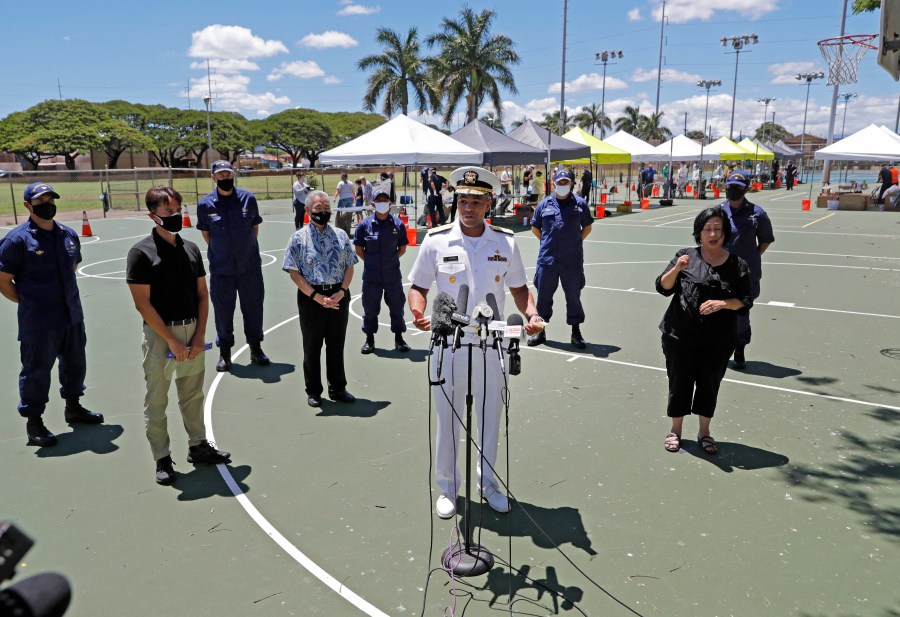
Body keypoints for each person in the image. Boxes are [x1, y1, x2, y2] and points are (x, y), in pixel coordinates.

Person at [407, 166, 542, 519]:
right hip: (449, 343)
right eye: (463, 200)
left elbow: (518, 288)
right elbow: (419, 287)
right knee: (448, 418)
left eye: (477, 201)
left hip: (490, 343)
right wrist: (419, 311)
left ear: (489, 204)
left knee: (489, 418)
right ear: (455, 201)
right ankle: (449, 489)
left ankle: (489, 485)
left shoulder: (505, 241)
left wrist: (531, 314)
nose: (468, 206)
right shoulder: (436, 240)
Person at [126, 187, 231, 485]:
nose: (175, 216)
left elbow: (202, 293)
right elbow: (142, 303)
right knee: (157, 398)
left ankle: (198, 445)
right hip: (162, 334)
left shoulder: (191, 249)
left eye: (178, 210)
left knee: (192, 393)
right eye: (168, 212)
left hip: (191, 329)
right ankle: (162, 457)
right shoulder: (141, 253)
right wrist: (172, 341)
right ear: (152, 215)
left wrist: (198, 335)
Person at [0, 182, 104, 447]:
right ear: (28, 205)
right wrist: (29, 303)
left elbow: (73, 264)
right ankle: (34, 422)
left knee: (75, 363)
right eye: (40, 200)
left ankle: (74, 407)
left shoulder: (68, 234)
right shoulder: (17, 240)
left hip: (71, 315)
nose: (47, 204)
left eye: (50, 199)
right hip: (39, 320)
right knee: (36, 370)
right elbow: (3, 280)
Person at [656, 206, 753, 455]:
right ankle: (675, 431)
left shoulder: (736, 264)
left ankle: (704, 433)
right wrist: (677, 268)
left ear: (725, 233)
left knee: (709, 385)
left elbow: (745, 300)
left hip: (718, 340)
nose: (712, 234)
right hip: (679, 334)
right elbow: (663, 286)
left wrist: (723, 303)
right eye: (707, 229)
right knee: (679, 382)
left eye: (717, 229)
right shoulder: (685, 256)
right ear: (698, 233)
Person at [283, 190, 358, 407]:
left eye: (326, 208)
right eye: (318, 209)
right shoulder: (298, 238)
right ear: (307, 211)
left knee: (336, 344)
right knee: (312, 346)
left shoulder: (341, 235)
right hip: (311, 297)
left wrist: (342, 291)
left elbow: (350, 265)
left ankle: (338, 388)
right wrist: (315, 296)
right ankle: (314, 390)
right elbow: (293, 271)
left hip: (338, 295)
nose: (323, 212)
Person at [196, 160, 269, 372]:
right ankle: (225, 353)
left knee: (254, 308)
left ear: (233, 175)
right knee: (223, 312)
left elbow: (254, 228)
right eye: (220, 175)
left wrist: (245, 251)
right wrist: (224, 253)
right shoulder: (205, 205)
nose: (225, 178)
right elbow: (206, 234)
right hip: (222, 270)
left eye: (228, 174)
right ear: (213, 177)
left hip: (250, 267)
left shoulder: (248, 199)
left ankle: (256, 348)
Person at [527, 169, 594, 350]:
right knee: (543, 298)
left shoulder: (580, 204)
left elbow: (587, 227)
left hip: (571, 261)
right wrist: (547, 243)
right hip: (548, 260)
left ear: (571, 183)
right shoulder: (544, 204)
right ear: (554, 183)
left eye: (566, 182)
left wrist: (575, 242)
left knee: (573, 297)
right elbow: (535, 228)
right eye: (560, 182)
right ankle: (540, 331)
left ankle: (576, 331)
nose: (562, 185)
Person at [720, 170, 774, 369]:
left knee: (741, 310)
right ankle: (720, 347)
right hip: (721, 270)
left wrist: (752, 257)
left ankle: (739, 348)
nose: (732, 190)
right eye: (729, 187)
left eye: (737, 188)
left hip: (747, 272)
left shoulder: (757, 213)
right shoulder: (719, 211)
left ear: (746, 189)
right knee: (720, 308)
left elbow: (766, 239)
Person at [354, 187, 410, 354]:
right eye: (379, 201)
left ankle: (399, 339)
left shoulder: (398, 224)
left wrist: (389, 262)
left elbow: (402, 248)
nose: (382, 203)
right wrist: (372, 262)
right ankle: (369, 340)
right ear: (372, 203)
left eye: (385, 200)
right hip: (372, 275)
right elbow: (359, 249)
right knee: (370, 308)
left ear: (390, 203)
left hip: (392, 274)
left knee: (397, 306)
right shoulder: (364, 225)